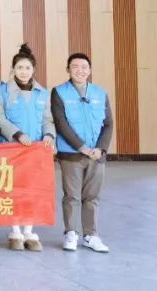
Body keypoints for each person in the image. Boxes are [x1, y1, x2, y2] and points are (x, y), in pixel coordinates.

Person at [0, 43, 55, 252]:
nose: (24, 72)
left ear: (33, 70)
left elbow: (48, 119)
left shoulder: (43, 93)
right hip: (11, 149)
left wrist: (48, 135)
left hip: (35, 150)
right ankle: (15, 231)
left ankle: (29, 230)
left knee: (32, 190)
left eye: (27, 68)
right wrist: (17, 134)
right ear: (13, 69)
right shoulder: (2, 92)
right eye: (19, 68)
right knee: (13, 190)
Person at [52, 52, 113, 254]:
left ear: (90, 70)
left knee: (92, 197)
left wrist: (101, 149)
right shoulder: (59, 92)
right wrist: (81, 147)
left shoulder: (100, 93)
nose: (80, 70)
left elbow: (108, 124)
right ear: (68, 69)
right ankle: (71, 233)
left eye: (84, 67)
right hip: (71, 154)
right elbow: (61, 123)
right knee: (72, 196)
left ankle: (90, 235)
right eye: (75, 66)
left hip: (96, 155)